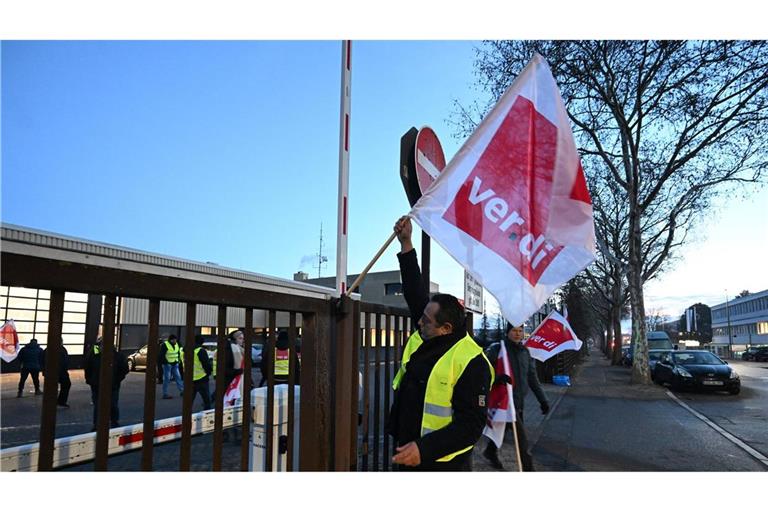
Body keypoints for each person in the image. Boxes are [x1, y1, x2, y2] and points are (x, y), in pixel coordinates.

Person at [387, 216, 493, 471]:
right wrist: (406, 243)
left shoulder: (471, 361)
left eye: (425, 321)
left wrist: (424, 450)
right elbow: (414, 291)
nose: (419, 323)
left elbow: (471, 426)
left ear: (446, 329)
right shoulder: (429, 332)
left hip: (441, 464)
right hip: (409, 452)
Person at [481, 323, 550, 471]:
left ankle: (490, 452)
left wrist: (543, 400)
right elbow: (483, 369)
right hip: (503, 400)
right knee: (522, 439)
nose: (518, 334)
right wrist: (497, 378)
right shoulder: (497, 349)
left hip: (518, 402)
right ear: (508, 332)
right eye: (514, 330)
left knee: (505, 428)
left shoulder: (525, 352)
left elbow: (532, 377)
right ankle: (528, 469)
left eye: (520, 331)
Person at [84, 337, 130, 430]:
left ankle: (112, 422)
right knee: (100, 405)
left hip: (110, 384)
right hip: (98, 384)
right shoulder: (95, 355)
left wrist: (117, 380)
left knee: (111, 404)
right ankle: (99, 424)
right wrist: (90, 380)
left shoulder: (115, 356)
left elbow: (124, 369)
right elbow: (88, 367)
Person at [180, 335, 213, 410]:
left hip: (188, 378)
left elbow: (181, 365)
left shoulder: (183, 350)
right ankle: (207, 415)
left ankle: (186, 416)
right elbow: (206, 364)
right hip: (201, 378)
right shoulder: (200, 351)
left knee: (189, 400)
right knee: (206, 400)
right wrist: (208, 373)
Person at [41, 342, 71, 407]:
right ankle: (60, 401)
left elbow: (42, 360)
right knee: (66, 384)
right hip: (61, 371)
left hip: (51, 372)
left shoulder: (47, 349)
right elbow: (65, 360)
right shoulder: (62, 349)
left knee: (52, 386)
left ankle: (51, 402)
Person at [159, 334, 184, 399]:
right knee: (167, 379)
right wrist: (166, 362)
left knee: (178, 377)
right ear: (170, 340)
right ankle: (165, 393)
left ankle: (182, 391)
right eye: (174, 340)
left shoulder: (177, 344)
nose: (175, 341)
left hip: (175, 363)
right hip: (168, 364)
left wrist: (178, 360)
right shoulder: (165, 345)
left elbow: (179, 352)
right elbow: (162, 355)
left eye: (175, 339)